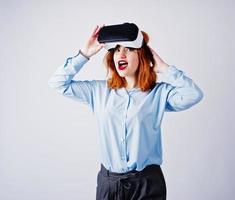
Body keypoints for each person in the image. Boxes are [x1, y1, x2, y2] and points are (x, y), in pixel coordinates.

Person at [48, 23, 204, 200]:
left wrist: (165, 68)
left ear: (142, 55)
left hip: (147, 184)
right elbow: (57, 83)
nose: (120, 54)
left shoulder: (160, 93)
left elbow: (194, 94)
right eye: (116, 49)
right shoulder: (98, 91)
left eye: (129, 49)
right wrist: (84, 54)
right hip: (109, 184)